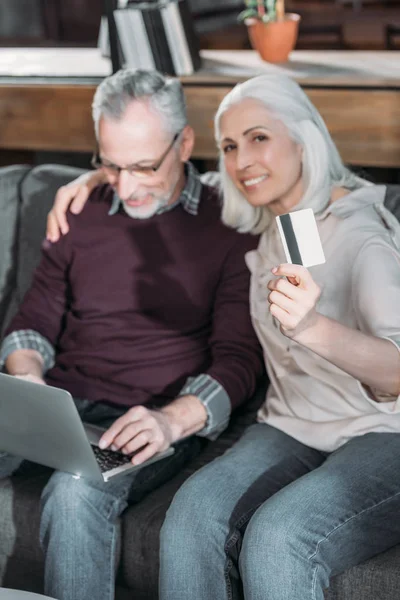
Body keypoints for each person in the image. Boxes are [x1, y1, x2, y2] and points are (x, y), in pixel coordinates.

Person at [0, 68, 264, 600]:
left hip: (145, 419)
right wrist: (28, 385)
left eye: (144, 166)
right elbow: (32, 324)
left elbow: (238, 359)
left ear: (184, 143)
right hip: (63, 405)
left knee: (76, 493)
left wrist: (172, 420)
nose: (126, 186)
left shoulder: (233, 224)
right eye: (110, 165)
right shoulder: (78, 210)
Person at [155, 74, 400, 600]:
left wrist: (312, 327)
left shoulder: (362, 236)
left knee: (279, 536)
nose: (242, 160)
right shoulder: (277, 224)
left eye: (259, 137)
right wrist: (93, 178)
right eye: (229, 146)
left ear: (303, 138)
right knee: (191, 513)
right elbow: (161, 180)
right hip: (291, 424)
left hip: (384, 432)